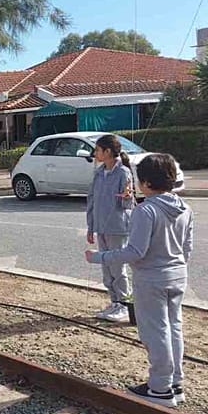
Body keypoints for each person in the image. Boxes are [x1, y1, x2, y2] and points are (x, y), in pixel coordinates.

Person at [85, 154, 193, 408]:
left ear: (144, 182)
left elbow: (135, 251)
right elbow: (187, 248)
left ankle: (159, 388)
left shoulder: (146, 211)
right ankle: (175, 383)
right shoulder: (184, 208)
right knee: (173, 328)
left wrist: (99, 257)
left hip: (151, 279)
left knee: (155, 332)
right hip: (178, 275)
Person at [86, 134, 135, 324]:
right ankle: (114, 302)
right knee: (106, 267)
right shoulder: (99, 173)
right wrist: (91, 226)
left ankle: (124, 304)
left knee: (117, 267)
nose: (95, 153)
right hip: (101, 227)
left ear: (107, 152)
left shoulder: (123, 173)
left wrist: (126, 196)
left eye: (98, 150)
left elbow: (127, 204)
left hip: (117, 227)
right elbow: (92, 201)